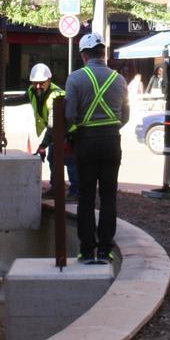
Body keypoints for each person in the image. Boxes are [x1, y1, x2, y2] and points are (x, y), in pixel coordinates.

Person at [64, 32, 129, 264]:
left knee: (87, 197)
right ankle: (105, 251)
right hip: (112, 141)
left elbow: (69, 116)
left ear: (83, 55)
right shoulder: (119, 80)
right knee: (109, 197)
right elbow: (125, 116)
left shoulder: (75, 79)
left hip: (87, 142)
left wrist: (76, 131)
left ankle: (87, 251)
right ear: (104, 52)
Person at [27, 63, 79, 200]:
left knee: (69, 161)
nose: (38, 86)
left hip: (68, 133)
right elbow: (21, 98)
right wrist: (2, 100)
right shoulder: (33, 91)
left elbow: (53, 125)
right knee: (53, 159)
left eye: (41, 83)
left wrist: (43, 145)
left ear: (49, 80)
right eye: (35, 83)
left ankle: (75, 192)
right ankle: (55, 188)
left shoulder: (56, 96)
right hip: (56, 134)